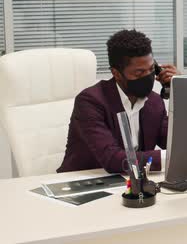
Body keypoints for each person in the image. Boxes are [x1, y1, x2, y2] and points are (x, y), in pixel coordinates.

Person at [57, 30, 179, 173]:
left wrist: (183, 91)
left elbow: (174, 143)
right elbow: (113, 159)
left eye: (151, 69)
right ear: (116, 73)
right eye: (139, 73)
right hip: (84, 183)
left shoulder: (154, 101)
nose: (148, 77)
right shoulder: (90, 102)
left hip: (130, 182)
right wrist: (170, 157)